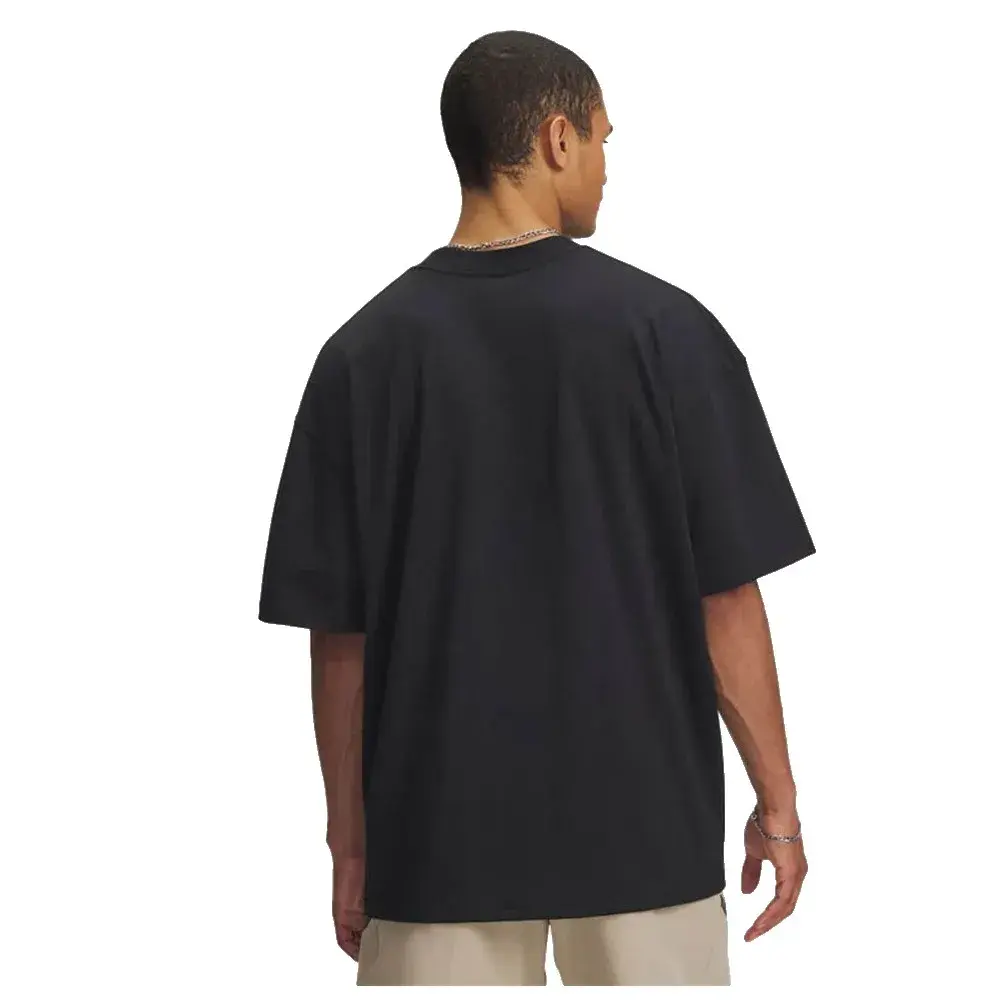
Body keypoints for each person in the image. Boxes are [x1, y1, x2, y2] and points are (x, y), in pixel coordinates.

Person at [258, 28, 815, 987]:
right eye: (601, 138)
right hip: (646, 838)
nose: (606, 166)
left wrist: (350, 843)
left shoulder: (361, 358)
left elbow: (340, 641)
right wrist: (779, 806)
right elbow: (725, 603)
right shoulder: (669, 332)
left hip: (436, 846)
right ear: (558, 138)